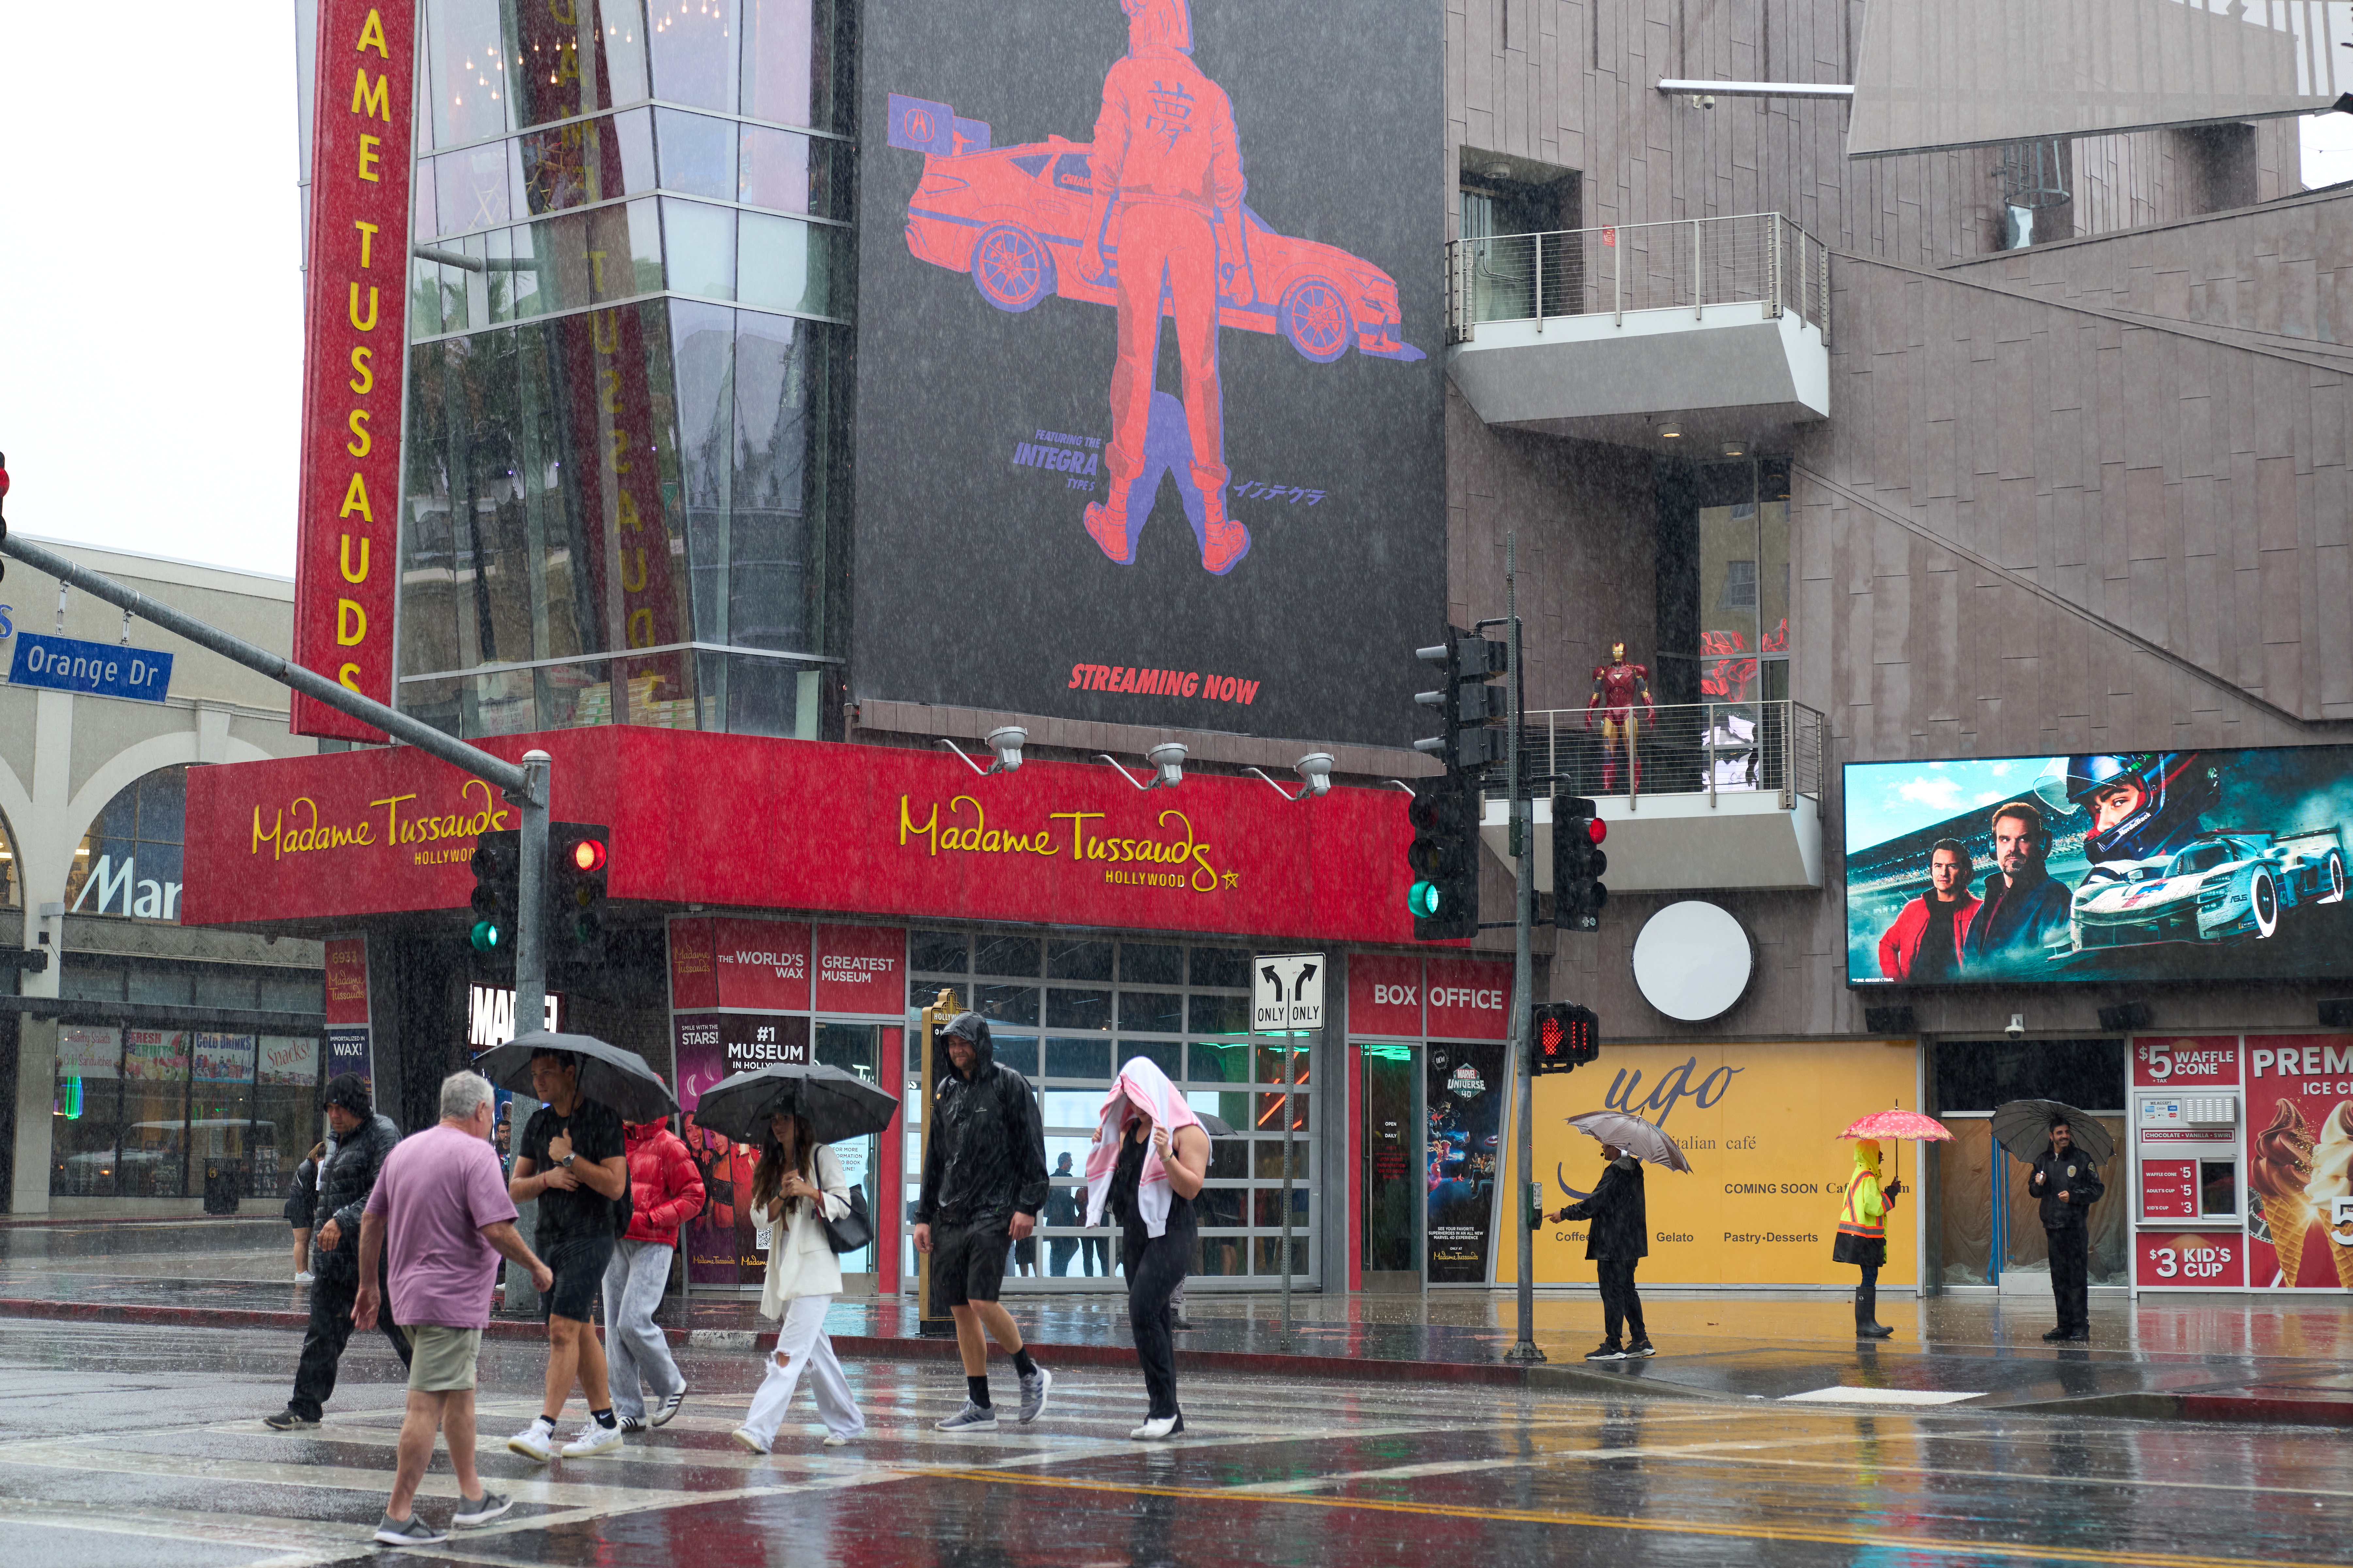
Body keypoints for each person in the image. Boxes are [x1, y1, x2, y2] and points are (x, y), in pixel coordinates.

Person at [1077, 0, 1252, 577]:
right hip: (1196, 230)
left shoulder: (1125, 76)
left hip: (1141, 223)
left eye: (1133, 14)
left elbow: (1106, 159)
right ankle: (1216, 528)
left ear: (1148, 18)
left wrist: (1090, 239)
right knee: (1200, 370)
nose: (1129, 24)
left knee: (1135, 361)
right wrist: (1240, 262)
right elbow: (1228, 188)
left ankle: (1120, 517)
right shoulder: (1211, 94)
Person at [353, 1072, 552, 1546]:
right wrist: (536, 1267)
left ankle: (473, 1496)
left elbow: (371, 1218)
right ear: (482, 1111)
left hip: (409, 1297)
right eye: (491, 1116)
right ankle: (398, 1514)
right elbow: (497, 1228)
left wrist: (368, 1284)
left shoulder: (405, 1151)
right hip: (451, 1299)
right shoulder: (477, 1154)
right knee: (425, 1405)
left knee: (459, 1393)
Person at [913, 1011, 1052, 1432]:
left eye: (964, 1043)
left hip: (996, 1211)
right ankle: (980, 1404)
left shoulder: (1010, 1085)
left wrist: (1028, 1205)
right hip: (951, 1213)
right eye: (951, 1045)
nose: (957, 1051)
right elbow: (935, 1157)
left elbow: (1032, 1148)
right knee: (959, 1306)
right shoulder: (946, 1090)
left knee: (981, 1299)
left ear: (980, 1043)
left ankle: (1030, 1374)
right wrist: (923, 1216)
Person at [506, 1047, 631, 1461]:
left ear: (570, 1072)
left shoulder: (602, 1118)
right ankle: (607, 1424)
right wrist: (549, 1176)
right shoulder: (539, 1123)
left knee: (562, 1329)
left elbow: (615, 1185)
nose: (539, 1081)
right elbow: (514, 1187)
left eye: (547, 1073)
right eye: (535, 1074)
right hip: (549, 1237)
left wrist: (572, 1158)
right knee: (578, 1329)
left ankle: (544, 1428)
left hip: (593, 1235)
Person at [266, 1075, 410, 1430]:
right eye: (329, 1108)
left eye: (340, 1107)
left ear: (357, 1105)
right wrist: (323, 1237)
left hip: (379, 1259)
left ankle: (439, 1401)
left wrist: (342, 1220)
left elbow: (386, 1192)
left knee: (409, 1336)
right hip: (335, 1262)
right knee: (321, 1336)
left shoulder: (382, 1134)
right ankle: (304, 1405)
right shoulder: (334, 1141)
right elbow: (327, 1197)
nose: (334, 1115)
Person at [1085, 1057, 1208, 1438]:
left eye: (1136, 1096)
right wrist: (1105, 1147)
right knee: (1155, 1320)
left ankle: (1163, 1409)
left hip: (1173, 1232)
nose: (1132, 1104)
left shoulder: (1187, 1131)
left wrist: (1167, 1156)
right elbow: (1119, 1185)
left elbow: (1190, 1187)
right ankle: (1168, 1412)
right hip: (1136, 1234)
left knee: (1141, 1309)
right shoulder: (1129, 1131)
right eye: (1125, 1096)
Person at [732, 1109, 864, 1453]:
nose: (778, 1125)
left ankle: (759, 1428)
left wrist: (809, 1190)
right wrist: (783, 1194)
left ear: (800, 1120)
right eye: (773, 1119)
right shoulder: (771, 1163)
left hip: (815, 1265)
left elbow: (844, 1205)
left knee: (789, 1350)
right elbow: (759, 1217)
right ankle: (848, 1420)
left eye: (785, 1118)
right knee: (816, 1352)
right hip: (785, 1264)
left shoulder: (821, 1154)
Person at [604, 1116, 705, 1432]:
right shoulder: (612, 1142)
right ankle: (629, 1408)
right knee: (613, 1329)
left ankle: (671, 1383)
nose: (631, 1109)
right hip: (615, 1239)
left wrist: (653, 1218)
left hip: (655, 1241)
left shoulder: (670, 1145)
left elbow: (695, 1196)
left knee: (632, 1320)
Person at [1548, 1141, 1651, 1361]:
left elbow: (1594, 1204)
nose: (1603, 1150)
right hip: (1631, 1243)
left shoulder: (1614, 1171)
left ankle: (1613, 1345)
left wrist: (1565, 1213)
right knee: (1627, 1289)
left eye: (1605, 1146)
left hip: (1612, 1244)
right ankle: (1641, 1340)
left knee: (1612, 1292)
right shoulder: (1635, 1169)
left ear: (1616, 1146)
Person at [1961, 801, 2073, 971]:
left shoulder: (2057, 898)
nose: (2012, 849)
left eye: (2024, 839)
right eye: (2005, 839)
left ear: (2041, 844)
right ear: (1994, 847)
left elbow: (2054, 970)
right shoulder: (1988, 906)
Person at [2030, 1118, 2104, 1342]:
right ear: (2051, 1136)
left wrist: (2075, 1197)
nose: (2065, 1136)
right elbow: (2034, 1192)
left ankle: (2081, 1327)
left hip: (2075, 1229)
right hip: (2053, 1229)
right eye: (2060, 1133)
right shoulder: (2042, 1161)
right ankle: (2064, 1326)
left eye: (2067, 1132)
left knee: (2076, 1279)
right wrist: (2038, 1183)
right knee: (2059, 1280)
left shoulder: (2082, 1159)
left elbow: (2097, 1190)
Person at [1878, 840, 1979, 982]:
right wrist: (1896, 982)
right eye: (1938, 866)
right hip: (1914, 996)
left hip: (1961, 997)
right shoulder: (1912, 909)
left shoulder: (1981, 910)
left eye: (1952, 866)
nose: (1944, 873)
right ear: (1932, 870)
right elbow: (1887, 945)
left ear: (1964, 872)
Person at [1833, 1140, 1902, 1338]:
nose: (1882, 1156)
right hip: (1867, 1237)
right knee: (1870, 1276)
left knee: (1869, 1276)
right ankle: (1866, 1324)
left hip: (1860, 1236)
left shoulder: (1861, 1174)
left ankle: (1867, 1323)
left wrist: (1888, 1189)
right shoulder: (1868, 1177)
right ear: (1870, 1154)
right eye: (1879, 1152)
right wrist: (1892, 1192)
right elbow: (1875, 1208)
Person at [1583, 639, 1657, 795]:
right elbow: (1596, 694)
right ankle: (1607, 788)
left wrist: (1650, 709)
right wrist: (1589, 712)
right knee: (1608, 752)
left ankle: (1635, 787)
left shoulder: (1634, 670)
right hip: (1610, 712)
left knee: (1632, 750)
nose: (1617, 655)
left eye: (1620, 652)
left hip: (1628, 711)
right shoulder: (1603, 672)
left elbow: (1644, 692)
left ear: (1625, 653)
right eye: (1615, 652)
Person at [285, 1141, 325, 1285]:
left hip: (303, 1206)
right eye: (322, 1161)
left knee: (305, 1241)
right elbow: (311, 1194)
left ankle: (304, 1271)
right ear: (317, 1158)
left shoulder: (312, 1168)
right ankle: (301, 1272)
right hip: (299, 1205)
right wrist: (320, 1208)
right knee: (301, 1241)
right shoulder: (307, 1169)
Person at [1045, 1153, 1084, 1277]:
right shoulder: (1067, 1178)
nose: (1072, 1165)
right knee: (1063, 1249)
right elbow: (1062, 1200)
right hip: (1063, 1221)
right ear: (1064, 1162)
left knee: (1059, 1249)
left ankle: (1057, 1274)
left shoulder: (1051, 1178)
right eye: (1070, 1162)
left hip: (1057, 1221)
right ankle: (1059, 1274)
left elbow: (1052, 1202)